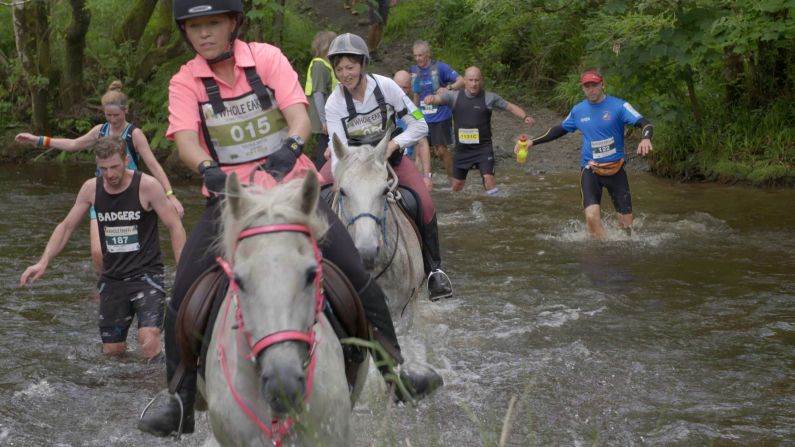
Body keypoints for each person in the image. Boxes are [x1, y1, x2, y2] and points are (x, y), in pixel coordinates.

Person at [137, 2, 440, 438]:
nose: (203, 34)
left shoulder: (266, 58)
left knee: (355, 272)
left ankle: (395, 373)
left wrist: (293, 148)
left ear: (232, 24)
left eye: (212, 24)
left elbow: (298, 114)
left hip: (293, 191)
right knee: (182, 292)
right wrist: (207, 168)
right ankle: (179, 402)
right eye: (194, 27)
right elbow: (185, 139)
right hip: (232, 201)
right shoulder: (186, 80)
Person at [19, 137, 186, 360]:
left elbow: (175, 226)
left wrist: (184, 270)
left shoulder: (147, 186)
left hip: (146, 276)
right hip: (112, 279)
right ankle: (124, 389)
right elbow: (67, 226)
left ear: (126, 160)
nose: (109, 174)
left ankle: (152, 388)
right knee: (113, 353)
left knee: (149, 340)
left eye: (115, 167)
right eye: (103, 168)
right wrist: (43, 261)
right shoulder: (91, 189)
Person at [320, 33, 453, 300]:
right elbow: (337, 151)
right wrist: (343, 175)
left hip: (390, 158)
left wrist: (393, 145)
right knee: (312, 198)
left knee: (424, 202)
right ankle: (317, 271)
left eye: (350, 67)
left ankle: (433, 272)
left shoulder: (387, 88)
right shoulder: (334, 103)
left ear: (362, 65)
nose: (345, 74)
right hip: (352, 163)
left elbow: (419, 125)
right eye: (339, 69)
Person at [15, 81, 184, 274]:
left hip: (130, 196)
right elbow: (73, 144)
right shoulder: (100, 131)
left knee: (131, 248)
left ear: (126, 111)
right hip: (103, 196)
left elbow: (153, 165)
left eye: (116, 115)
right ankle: (103, 287)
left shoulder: (134, 135)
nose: (112, 120)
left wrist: (170, 195)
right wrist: (38, 139)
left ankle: (140, 278)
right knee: (97, 253)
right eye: (108, 115)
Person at [515, 69, 653, 239]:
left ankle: (616, 254)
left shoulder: (619, 106)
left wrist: (646, 139)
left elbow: (645, 123)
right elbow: (559, 130)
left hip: (616, 170)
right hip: (590, 170)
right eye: (587, 86)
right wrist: (532, 142)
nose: (591, 90)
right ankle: (601, 255)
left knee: (626, 228)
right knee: (591, 218)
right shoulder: (578, 110)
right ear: (583, 89)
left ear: (602, 85)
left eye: (594, 85)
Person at [423, 66, 536, 195]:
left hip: (483, 149)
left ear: (481, 81)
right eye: (470, 80)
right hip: (462, 150)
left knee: (488, 180)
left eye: (476, 80)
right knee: (457, 187)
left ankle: (494, 208)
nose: (474, 84)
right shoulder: (454, 97)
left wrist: (525, 116)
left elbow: (509, 107)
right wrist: (431, 99)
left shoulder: (489, 97)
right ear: (464, 81)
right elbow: (438, 99)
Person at [409, 40, 464, 179]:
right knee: (420, 152)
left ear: (428, 54)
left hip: (440, 115)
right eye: (415, 56)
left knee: (441, 151)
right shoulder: (414, 70)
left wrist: (448, 88)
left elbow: (461, 80)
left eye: (420, 55)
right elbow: (416, 94)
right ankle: (423, 182)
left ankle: (453, 180)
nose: (418, 59)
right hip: (423, 117)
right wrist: (415, 115)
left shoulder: (441, 68)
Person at [304, 30, 338, 170]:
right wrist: (324, 120)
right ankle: (320, 175)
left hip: (327, 114)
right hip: (322, 117)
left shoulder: (326, 64)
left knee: (325, 145)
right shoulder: (319, 65)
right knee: (324, 147)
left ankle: (321, 173)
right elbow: (318, 94)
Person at [393, 69, 432, 190]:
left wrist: (427, 176)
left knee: (424, 204)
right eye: (397, 87)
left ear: (409, 88)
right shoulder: (378, 107)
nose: (400, 91)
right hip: (382, 163)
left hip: (405, 164)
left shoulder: (416, 112)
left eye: (405, 88)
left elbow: (423, 143)